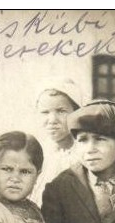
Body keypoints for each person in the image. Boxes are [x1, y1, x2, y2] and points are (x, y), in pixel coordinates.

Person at [30, 78, 84, 206]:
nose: (52, 119)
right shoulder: (37, 153)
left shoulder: (83, 154)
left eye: (61, 111)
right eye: (45, 112)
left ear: (76, 113)